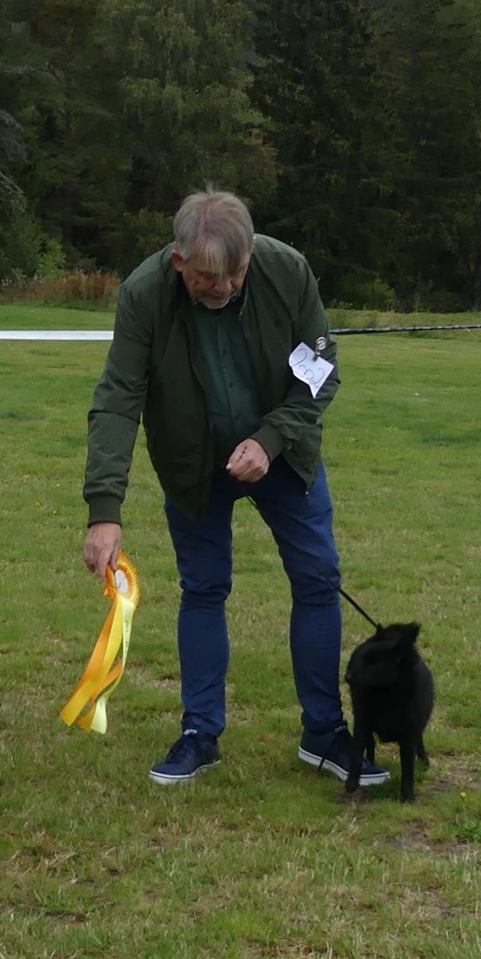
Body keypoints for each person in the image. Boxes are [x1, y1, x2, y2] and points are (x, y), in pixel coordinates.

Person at [83, 188, 388, 789]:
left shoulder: (287, 270)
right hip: (193, 464)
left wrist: (270, 441)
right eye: (206, 277)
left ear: (250, 256)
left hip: (285, 456)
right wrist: (105, 509)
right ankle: (200, 732)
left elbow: (320, 370)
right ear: (179, 262)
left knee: (319, 581)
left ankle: (324, 733)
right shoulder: (144, 294)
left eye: (235, 274)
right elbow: (118, 398)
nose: (222, 287)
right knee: (203, 588)